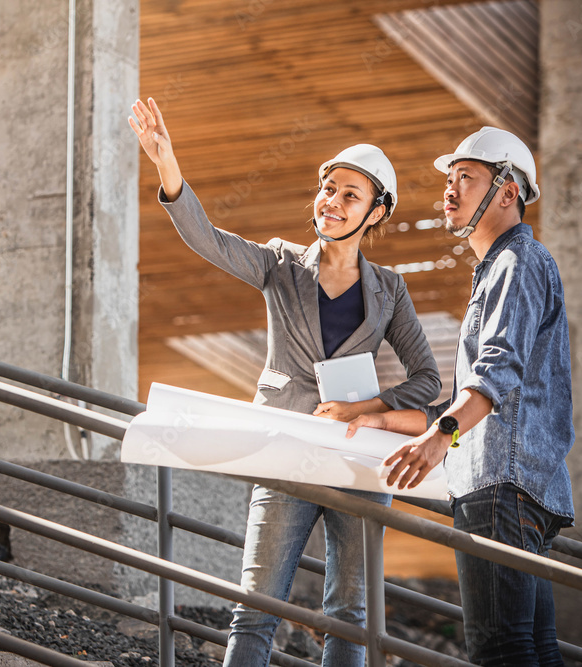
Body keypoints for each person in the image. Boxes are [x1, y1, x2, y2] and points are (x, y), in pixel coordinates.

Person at [128, 97, 441, 667]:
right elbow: (209, 240)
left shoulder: (390, 289)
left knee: (350, 614)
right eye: (329, 189)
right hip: (286, 448)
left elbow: (427, 380)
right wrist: (166, 164)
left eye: (352, 195)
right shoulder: (280, 263)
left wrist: (367, 408)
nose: (334, 202)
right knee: (256, 604)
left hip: (356, 460)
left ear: (376, 213)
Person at [347, 126, 575, 665]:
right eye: (449, 179)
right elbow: (481, 388)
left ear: (507, 190)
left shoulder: (514, 263)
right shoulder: (507, 266)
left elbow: (496, 372)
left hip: (501, 486)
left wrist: (439, 438)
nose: (449, 190)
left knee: (502, 650)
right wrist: (384, 419)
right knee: (533, 649)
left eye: (466, 178)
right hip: (527, 489)